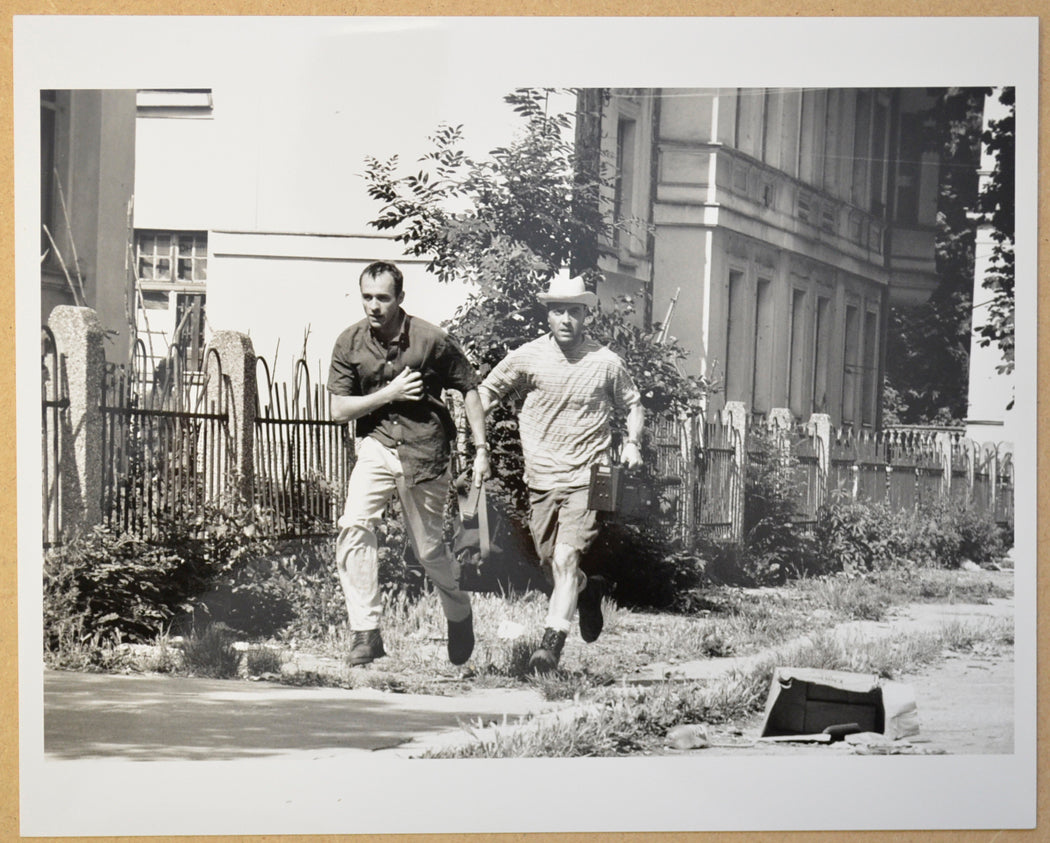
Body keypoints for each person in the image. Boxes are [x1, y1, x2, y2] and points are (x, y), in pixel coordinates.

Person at [479, 273, 644, 672]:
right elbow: (485, 392)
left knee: (567, 557)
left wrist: (633, 442)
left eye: (574, 312)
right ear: (548, 317)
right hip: (542, 478)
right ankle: (588, 592)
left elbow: (634, 404)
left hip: (594, 475)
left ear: (585, 315)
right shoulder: (528, 357)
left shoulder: (606, 363)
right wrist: (471, 431)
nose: (566, 320)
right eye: (558, 312)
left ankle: (549, 648)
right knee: (550, 563)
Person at [327, 261, 490, 667]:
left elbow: (469, 388)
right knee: (353, 526)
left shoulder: (431, 339)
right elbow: (338, 410)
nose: (374, 306)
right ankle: (366, 632)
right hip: (377, 446)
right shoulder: (349, 342)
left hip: (425, 451)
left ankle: (458, 612)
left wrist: (481, 447)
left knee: (428, 550)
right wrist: (390, 393)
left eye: (383, 297)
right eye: (367, 297)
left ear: (400, 297)